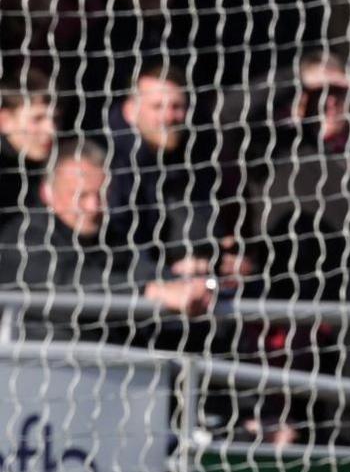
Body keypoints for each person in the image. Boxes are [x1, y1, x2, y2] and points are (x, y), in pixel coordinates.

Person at [0, 139, 212, 342]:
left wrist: (188, 286)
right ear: (47, 192)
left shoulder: (110, 239)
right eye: (81, 196)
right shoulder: (23, 237)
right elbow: (65, 283)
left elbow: (140, 271)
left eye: (101, 195)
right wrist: (148, 291)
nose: (94, 207)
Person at [107, 60, 228, 273]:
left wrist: (212, 255)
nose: (169, 117)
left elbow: (199, 219)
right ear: (130, 110)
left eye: (177, 107)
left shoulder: (191, 154)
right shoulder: (107, 161)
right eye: (157, 106)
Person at [0, 70, 58, 226]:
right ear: (4, 120)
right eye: (37, 119)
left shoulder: (53, 163)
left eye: (54, 118)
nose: (51, 129)